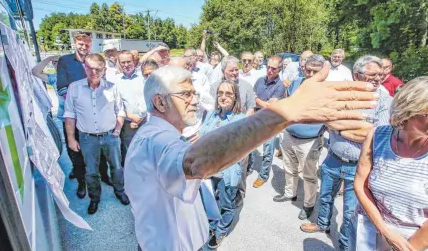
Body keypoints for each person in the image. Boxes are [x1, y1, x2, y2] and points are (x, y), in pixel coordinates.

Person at [124, 63, 379, 251]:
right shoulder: (154, 139)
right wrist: (286, 112)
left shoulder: (161, 134)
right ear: (159, 102)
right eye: (186, 94)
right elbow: (195, 162)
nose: (195, 100)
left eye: (194, 92)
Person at [351, 75, 428, 251]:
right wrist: (384, 231)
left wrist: (406, 248)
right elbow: (360, 184)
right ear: (407, 112)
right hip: (373, 234)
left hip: (424, 243)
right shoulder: (377, 136)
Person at [300, 55, 393, 251]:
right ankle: (322, 223)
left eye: (380, 74)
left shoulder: (384, 99)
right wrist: (355, 127)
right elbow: (328, 118)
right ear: (357, 75)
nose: (378, 78)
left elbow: (379, 135)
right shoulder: (343, 93)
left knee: (350, 211)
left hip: (359, 165)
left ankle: (344, 245)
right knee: (325, 195)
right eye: (372, 75)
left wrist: (341, 128)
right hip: (333, 159)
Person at [64, 53, 130, 215]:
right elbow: (70, 115)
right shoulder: (75, 88)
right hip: (87, 138)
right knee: (91, 171)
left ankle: (120, 191)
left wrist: (117, 130)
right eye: (89, 68)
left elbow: (119, 111)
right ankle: (94, 198)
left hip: (110, 136)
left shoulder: (112, 88)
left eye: (97, 69)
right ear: (84, 67)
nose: (93, 72)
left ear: (104, 70)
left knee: (117, 167)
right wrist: (71, 138)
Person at [272, 55, 326, 221]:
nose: (310, 74)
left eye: (314, 71)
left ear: (322, 72)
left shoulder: (326, 90)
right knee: (289, 167)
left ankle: (308, 204)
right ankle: (290, 193)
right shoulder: (296, 83)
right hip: (290, 134)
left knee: (309, 176)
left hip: (310, 140)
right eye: (307, 69)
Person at [56, 33, 110, 197]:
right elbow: (62, 88)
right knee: (76, 152)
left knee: (99, 150)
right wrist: (80, 108)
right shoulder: (65, 61)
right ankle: (82, 183)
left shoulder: (95, 60)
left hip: (94, 117)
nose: (84, 47)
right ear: (75, 43)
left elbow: (102, 86)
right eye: (80, 44)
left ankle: (104, 175)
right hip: (75, 116)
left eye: (87, 44)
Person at [198, 80, 246, 249]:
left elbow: (237, 149)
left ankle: (220, 231)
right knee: (209, 202)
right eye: (220, 93)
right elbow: (202, 135)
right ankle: (211, 226)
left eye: (228, 94)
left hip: (226, 172)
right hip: (207, 171)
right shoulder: (211, 115)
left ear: (235, 98)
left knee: (226, 204)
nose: (223, 97)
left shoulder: (240, 120)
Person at [252, 56, 287, 188]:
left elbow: (270, 106)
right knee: (250, 147)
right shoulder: (260, 80)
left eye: (273, 68)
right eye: (268, 67)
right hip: (255, 119)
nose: (269, 70)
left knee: (268, 150)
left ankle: (263, 175)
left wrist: (257, 100)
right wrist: (259, 101)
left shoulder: (281, 86)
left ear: (280, 69)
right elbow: (252, 95)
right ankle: (249, 168)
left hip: (270, 123)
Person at [115, 51, 147, 166]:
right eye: (123, 62)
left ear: (134, 61)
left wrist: (140, 117)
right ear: (119, 63)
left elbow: (148, 98)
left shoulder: (143, 77)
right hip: (128, 124)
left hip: (146, 121)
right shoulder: (116, 80)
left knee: (145, 150)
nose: (126, 65)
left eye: (129, 61)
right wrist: (131, 117)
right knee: (129, 151)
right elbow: (117, 103)